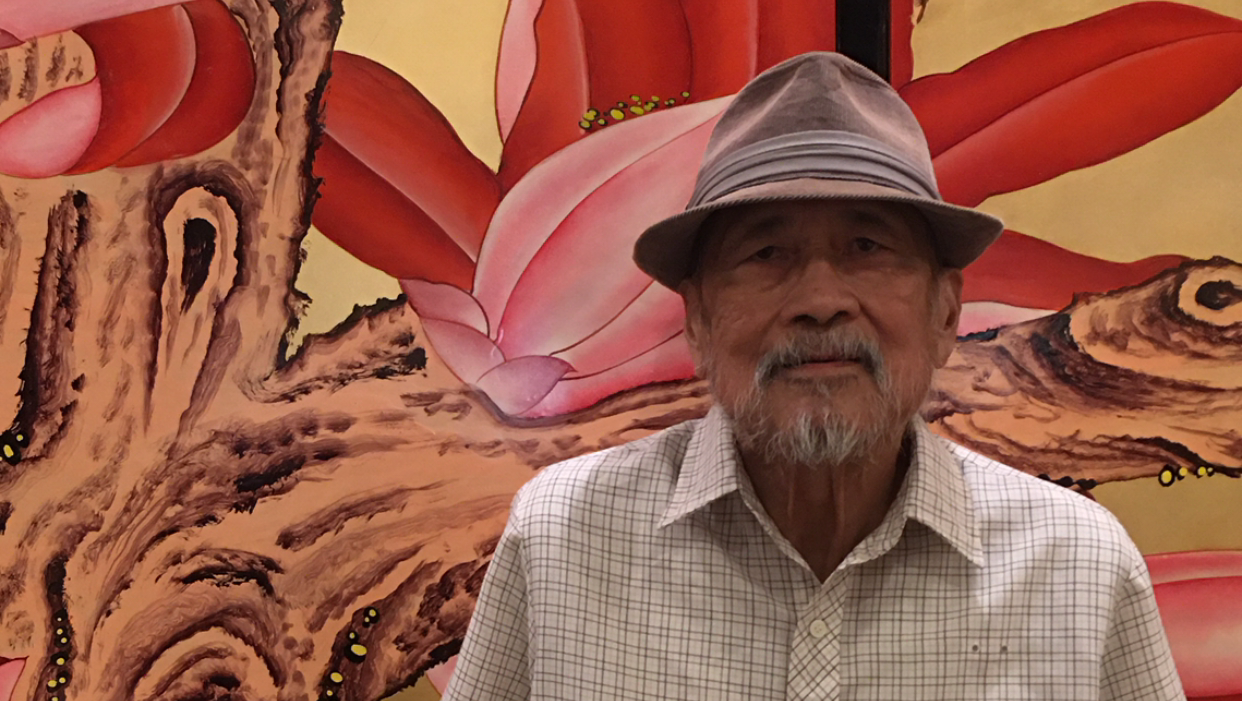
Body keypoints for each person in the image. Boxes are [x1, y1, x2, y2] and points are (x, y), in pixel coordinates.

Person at [442, 52, 1183, 701]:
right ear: (697, 318)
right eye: (766, 254)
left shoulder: (1077, 567)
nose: (822, 300)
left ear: (945, 312)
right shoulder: (565, 539)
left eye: (868, 246)